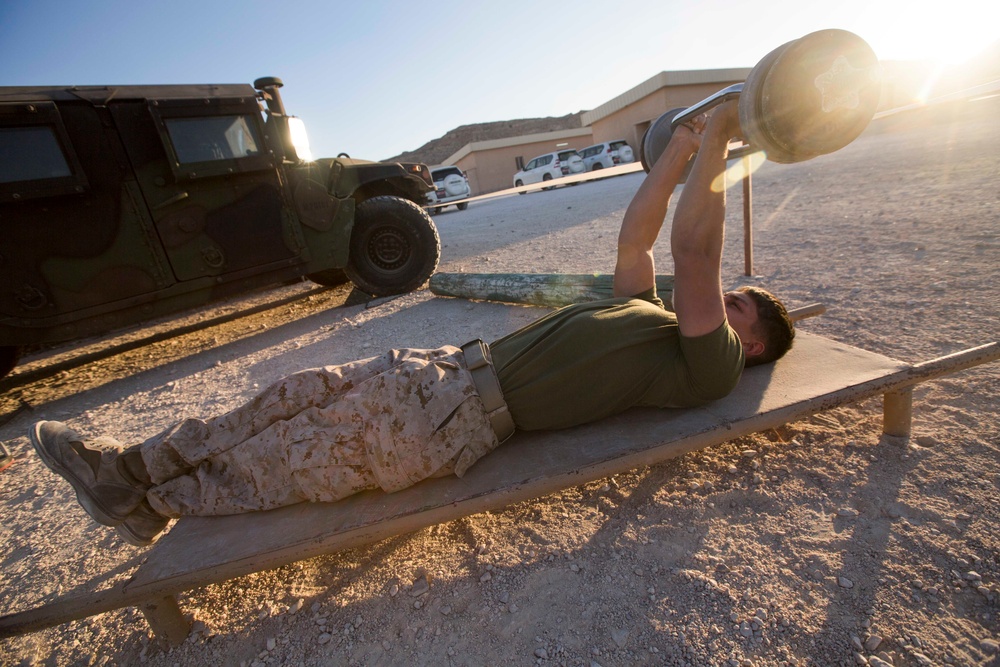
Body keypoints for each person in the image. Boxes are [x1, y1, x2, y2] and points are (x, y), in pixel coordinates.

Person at [29, 101, 794, 547]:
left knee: (285, 461)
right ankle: (131, 469)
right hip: (440, 370)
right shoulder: (645, 311)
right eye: (734, 298)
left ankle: (148, 504)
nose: (725, 300)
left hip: (451, 422)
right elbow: (640, 237)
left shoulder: (709, 364)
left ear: (750, 343)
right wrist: (679, 151)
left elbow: (697, 253)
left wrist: (721, 140)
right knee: (282, 397)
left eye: (739, 306)